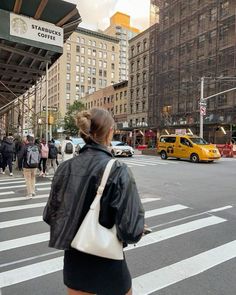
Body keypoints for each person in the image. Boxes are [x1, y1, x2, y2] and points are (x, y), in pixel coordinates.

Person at [43, 108, 145, 295]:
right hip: (110, 265)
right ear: (110, 132)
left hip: (76, 267)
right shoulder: (118, 170)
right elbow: (131, 230)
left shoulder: (65, 168)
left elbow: (50, 215)